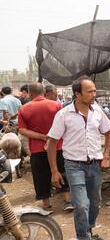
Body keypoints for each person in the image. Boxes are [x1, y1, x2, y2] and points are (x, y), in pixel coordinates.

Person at [47, 76, 110, 240]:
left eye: (94, 90)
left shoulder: (98, 111)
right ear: (77, 94)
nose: (94, 94)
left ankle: (89, 230)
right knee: (81, 205)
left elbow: (108, 133)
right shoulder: (64, 114)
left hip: (95, 165)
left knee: (95, 202)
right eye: (89, 91)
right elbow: (52, 143)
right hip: (74, 165)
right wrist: (54, 170)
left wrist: (106, 155)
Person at [18, 83, 74, 212]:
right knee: (62, 171)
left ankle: (46, 205)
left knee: (41, 175)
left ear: (30, 93)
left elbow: (22, 130)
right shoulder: (56, 105)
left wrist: (42, 137)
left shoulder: (24, 109)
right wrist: (52, 137)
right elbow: (65, 125)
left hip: (37, 148)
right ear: (43, 92)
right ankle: (68, 200)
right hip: (58, 146)